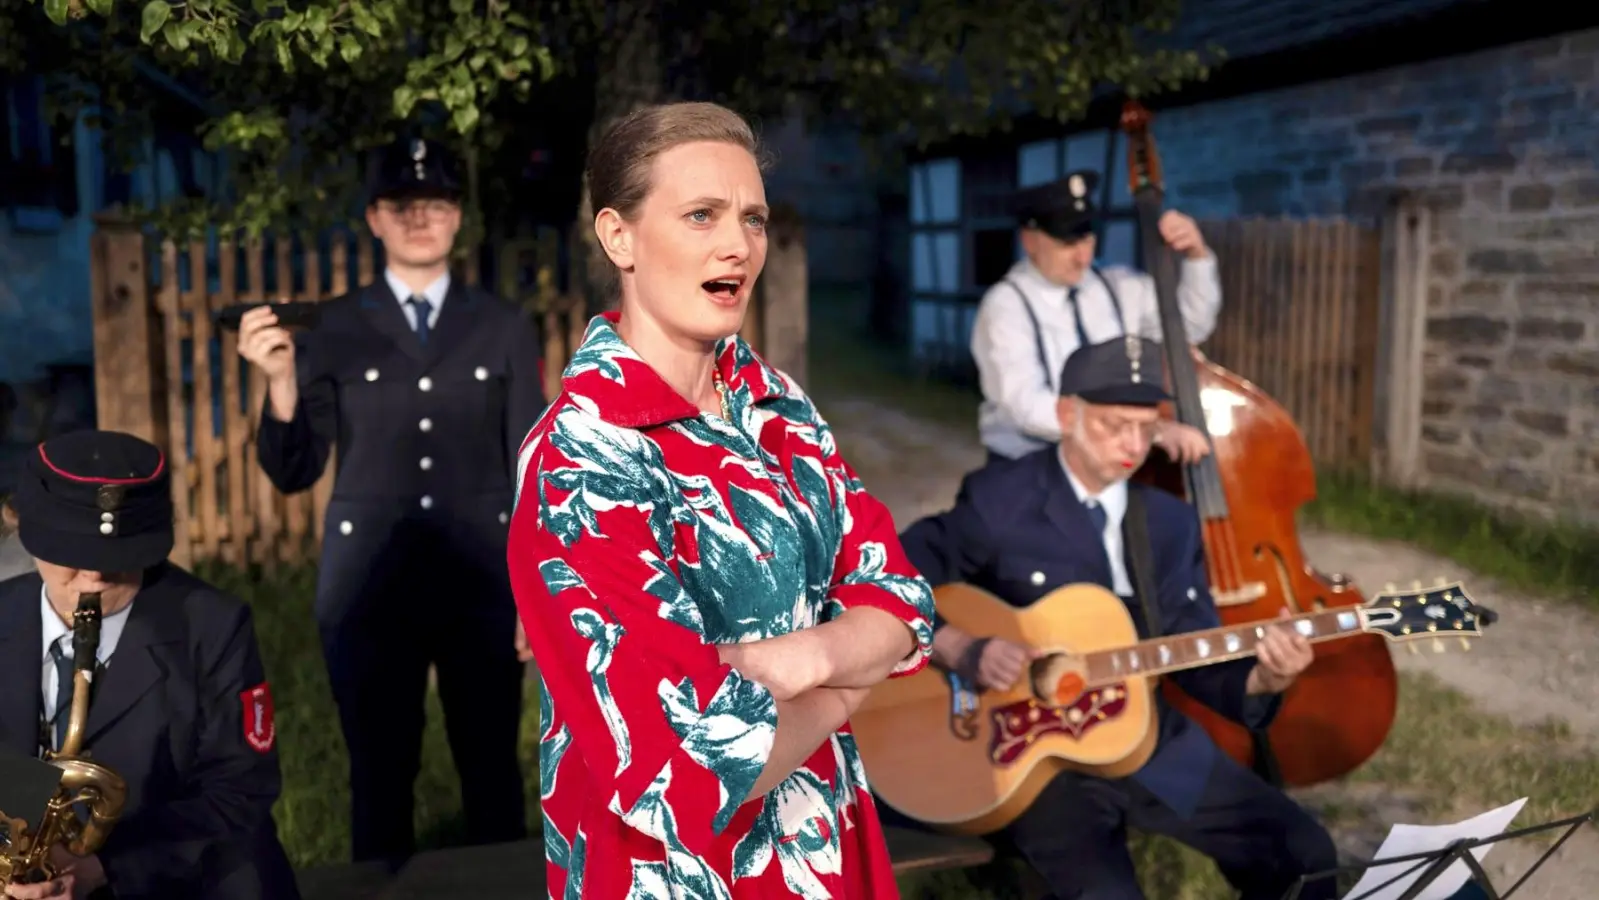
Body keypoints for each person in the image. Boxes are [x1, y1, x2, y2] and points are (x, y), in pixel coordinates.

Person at [506, 101, 937, 899]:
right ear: (618, 236)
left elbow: (901, 598)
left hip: (828, 845)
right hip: (674, 878)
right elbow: (691, 762)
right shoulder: (578, 458)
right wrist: (852, 680)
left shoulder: (775, 403)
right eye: (700, 215)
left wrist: (800, 661)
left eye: (752, 218)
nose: (737, 245)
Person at [896, 336, 1339, 900]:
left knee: (1305, 852)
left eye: (1146, 427)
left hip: (1145, 734)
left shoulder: (1169, 522)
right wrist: (959, 647)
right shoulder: (1000, 501)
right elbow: (886, 573)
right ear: (1066, 414)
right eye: (1114, 426)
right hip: (1038, 760)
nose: (1133, 445)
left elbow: (1195, 650)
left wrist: (1266, 678)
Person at [235, 135, 543, 866]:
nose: (419, 218)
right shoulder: (335, 326)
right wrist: (279, 381)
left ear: (457, 217)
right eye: (402, 205)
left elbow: (533, 466)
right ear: (374, 218)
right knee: (378, 775)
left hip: (480, 583)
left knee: (492, 773)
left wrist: (537, 590)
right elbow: (292, 469)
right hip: (370, 584)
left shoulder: (501, 325)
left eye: (435, 203)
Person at [0, 430, 299, 900]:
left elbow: (239, 792)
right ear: (27, 537)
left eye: (120, 559)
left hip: (170, 877)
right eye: (72, 558)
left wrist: (103, 867)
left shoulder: (212, 627)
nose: (95, 576)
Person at [970, 170, 1218, 466]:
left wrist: (1196, 255)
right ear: (1030, 241)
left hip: (1107, 465)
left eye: (1087, 239)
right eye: (1067, 244)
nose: (1083, 257)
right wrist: (1144, 429)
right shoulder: (1005, 306)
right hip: (1030, 465)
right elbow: (1025, 407)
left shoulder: (1119, 287)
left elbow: (1190, 326)